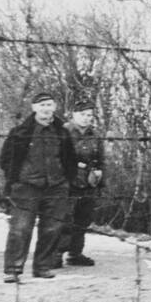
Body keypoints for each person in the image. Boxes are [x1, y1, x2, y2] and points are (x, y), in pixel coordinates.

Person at [0, 91, 77, 283]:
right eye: (42, 105)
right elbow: (5, 159)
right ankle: (13, 269)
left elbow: (70, 160)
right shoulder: (20, 132)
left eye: (49, 105)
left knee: (52, 229)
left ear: (55, 108)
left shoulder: (62, 132)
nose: (46, 109)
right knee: (20, 228)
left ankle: (42, 266)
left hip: (56, 187)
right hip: (27, 187)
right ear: (34, 108)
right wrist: (16, 180)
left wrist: (66, 182)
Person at [60, 98, 105, 267]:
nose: (86, 118)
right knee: (65, 219)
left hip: (88, 183)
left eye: (89, 115)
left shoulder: (94, 135)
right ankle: (56, 253)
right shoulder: (64, 132)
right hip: (68, 182)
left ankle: (75, 253)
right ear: (73, 115)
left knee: (83, 219)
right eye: (83, 114)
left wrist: (100, 178)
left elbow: (100, 159)